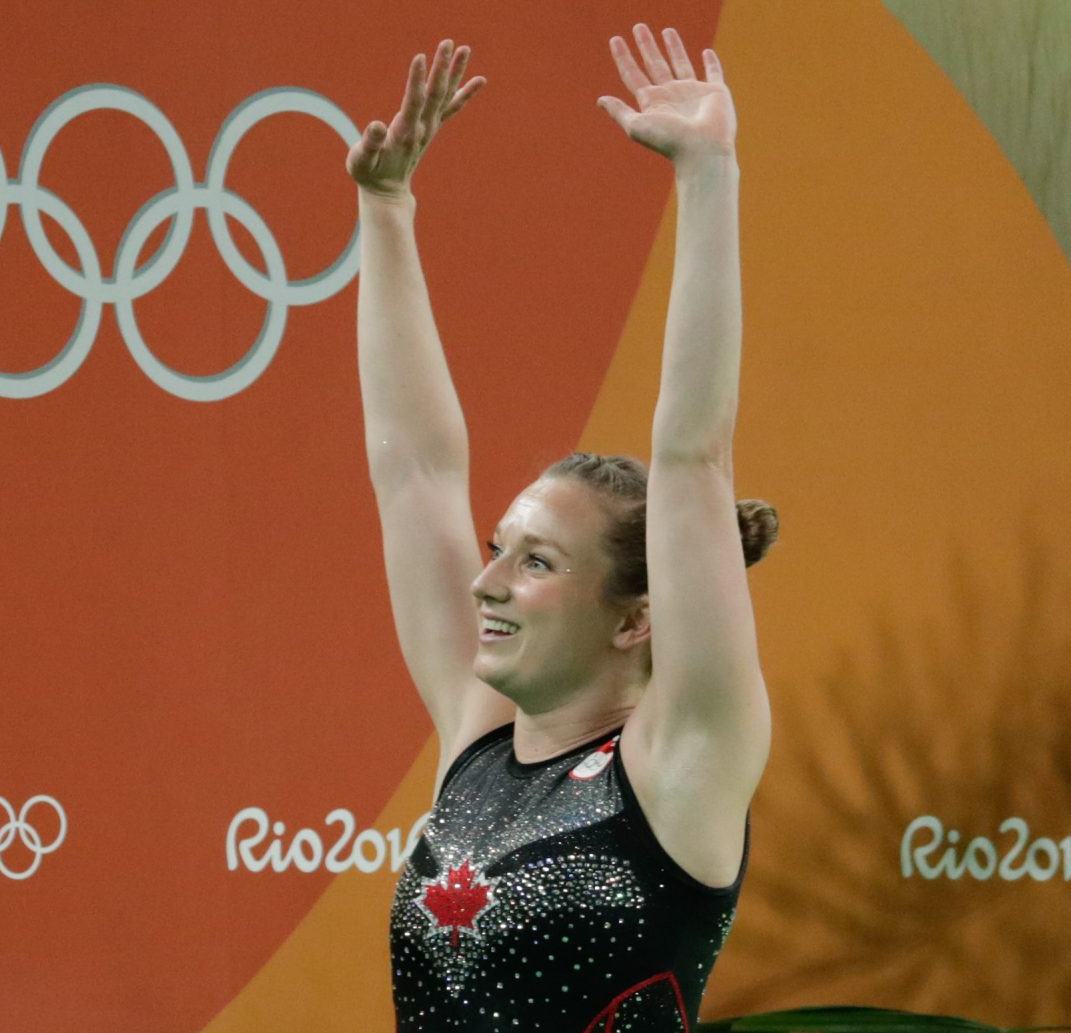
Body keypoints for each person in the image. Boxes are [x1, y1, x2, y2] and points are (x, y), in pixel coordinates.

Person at [346, 25, 775, 1031]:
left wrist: (707, 176)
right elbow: (412, 471)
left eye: (534, 560)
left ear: (635, 617)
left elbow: (691, 458)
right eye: (498, 545)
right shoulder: (477, 741)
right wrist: (384, 209)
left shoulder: (682, 763)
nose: (485, 580)